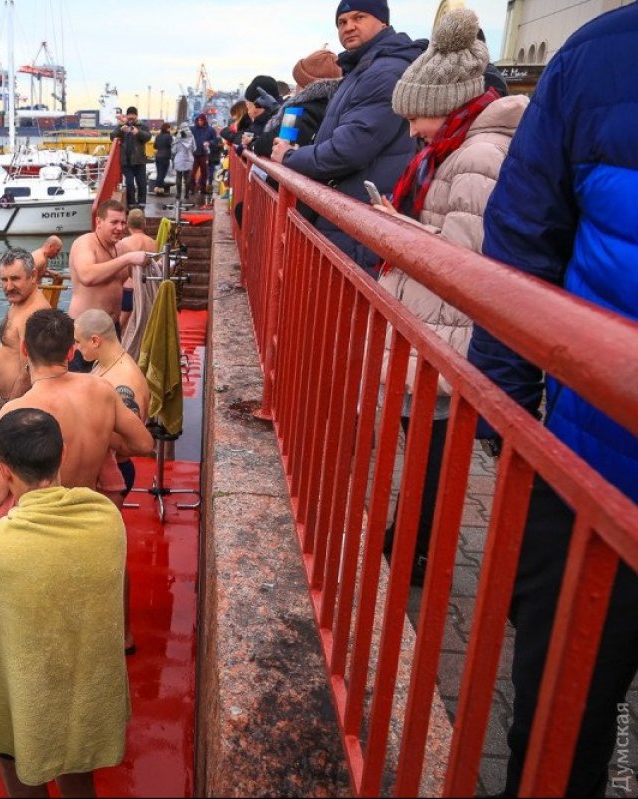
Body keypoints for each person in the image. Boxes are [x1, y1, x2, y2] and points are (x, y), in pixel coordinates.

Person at [465, 5, 638, 795]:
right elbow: (520, 244)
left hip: (581, 466)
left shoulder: (592, 56)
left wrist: (507, 417)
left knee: (558, 726)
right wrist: (509, 417)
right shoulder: (599, 56)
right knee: (556, 730)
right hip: (583, 465)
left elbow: (517, 240)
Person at [369, 8, 527, 585]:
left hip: (448, 327)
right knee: (427, 443)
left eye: (418, 118)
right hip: (436, 321)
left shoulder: (479, 157)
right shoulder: (455, 150)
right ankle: (412, 537)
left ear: (448, 105)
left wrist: (398, 230)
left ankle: (417, 546)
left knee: (434, 446)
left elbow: (465, 255)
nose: (411, 131)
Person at [0, 407, 130, 798]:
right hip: (80, 684)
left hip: (22, 691)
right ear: (63, 453)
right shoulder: (106, 520)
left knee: (14, 752)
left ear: (4, 470)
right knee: (76, 764)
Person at [0, 309, 153, 657]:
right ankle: (124, 636)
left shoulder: (21, 411)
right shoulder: (100, 390)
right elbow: (143, 444)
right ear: (71, 351)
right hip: (92, 506)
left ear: (24, 350)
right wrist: (103, 441)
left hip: (50, 518)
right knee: (114, 562)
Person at [271, 0, 425, 275]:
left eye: (359, 17)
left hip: (359, 219)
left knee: (341, 311)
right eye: (342, 22)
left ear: (383, 22)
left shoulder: (384, 71)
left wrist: (290, 157)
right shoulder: (363, 69)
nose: (349, 27)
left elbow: (348, 150)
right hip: (353, 212)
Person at [75, 308, 150, 500]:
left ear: (95, 340)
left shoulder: (124, 382)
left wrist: (85, 423)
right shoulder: (103, 363)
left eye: (78, 342)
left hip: (114, 474)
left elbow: (132, 444)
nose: (76, 348)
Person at [66, 199, 149, 371]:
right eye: (114, 222)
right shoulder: (85, 243)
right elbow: (87, 276)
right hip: (84, 332)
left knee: (112, 382)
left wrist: (161, 267)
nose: (120, 228)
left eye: (123, 223)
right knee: (83, 388)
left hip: (112, 330)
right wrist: (127, 259)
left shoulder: (121, 249)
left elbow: (144, 276)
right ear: (99, 222)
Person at [252, 50, 343, 158]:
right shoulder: (338, 106)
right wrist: (275, 110)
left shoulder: (298, 110)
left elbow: (266, 145)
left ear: (303, 84)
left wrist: (254, 143)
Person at [0, 248, 51, 399]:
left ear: (33, 276)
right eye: (4, 280)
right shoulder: (18, 300)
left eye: (15, 278)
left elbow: (28, 373)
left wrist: (10, 408)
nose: (9, 287)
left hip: (21, 403)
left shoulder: (35, 316)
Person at [116, 208, 157, 331]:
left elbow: (121, 268)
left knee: (121, 328)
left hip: (129, 288)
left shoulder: (124, 242)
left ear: (128, 224)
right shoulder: (153, 243)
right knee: (143, 329)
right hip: (146, 288)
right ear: (144, 223)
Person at [109, 105, 152, 209]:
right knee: (129, 183)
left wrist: (137, 132)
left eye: (133, 116)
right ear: (127, 116)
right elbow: (112, 136)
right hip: (126, 162)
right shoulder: (121, 126)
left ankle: (142, 203)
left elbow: (148, 137)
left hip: (139, 161)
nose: (131, 118)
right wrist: (121, 129)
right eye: (129, 116)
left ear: (136, 116)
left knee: (142, 183)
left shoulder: (142, 126)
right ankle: (131, 203)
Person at [189, 113, 219, 205]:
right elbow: (187, 137)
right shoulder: (193, 129)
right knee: (192, 173)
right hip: (194, 154)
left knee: (204, 172)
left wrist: (209, 142)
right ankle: (192, 188)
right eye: (198, 120)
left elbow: (215, 140)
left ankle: (203, 188)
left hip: (204, 154)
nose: (200, 122)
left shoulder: (210, 130)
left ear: (204, 121)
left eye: (201, 120)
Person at [171, 123, 196, 202]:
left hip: (179, 158)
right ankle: (186, 194)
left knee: (179, 176)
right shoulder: (191, 136)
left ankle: (178, 194)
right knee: (187, 176)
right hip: (189, 158)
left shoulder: (178, 137)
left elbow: (173, 150)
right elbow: (194, 148)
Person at [153, 123, 174, 196]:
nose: (170, 129)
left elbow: (155, 146)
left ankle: (158, 189)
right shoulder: (169, 137)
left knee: (159, 173)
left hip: (158, 156)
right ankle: (160, 190)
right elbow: (172, 145)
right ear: (167, 129)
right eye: (169, 128)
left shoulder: (158, 136)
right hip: (165, 157)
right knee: (162, 174)